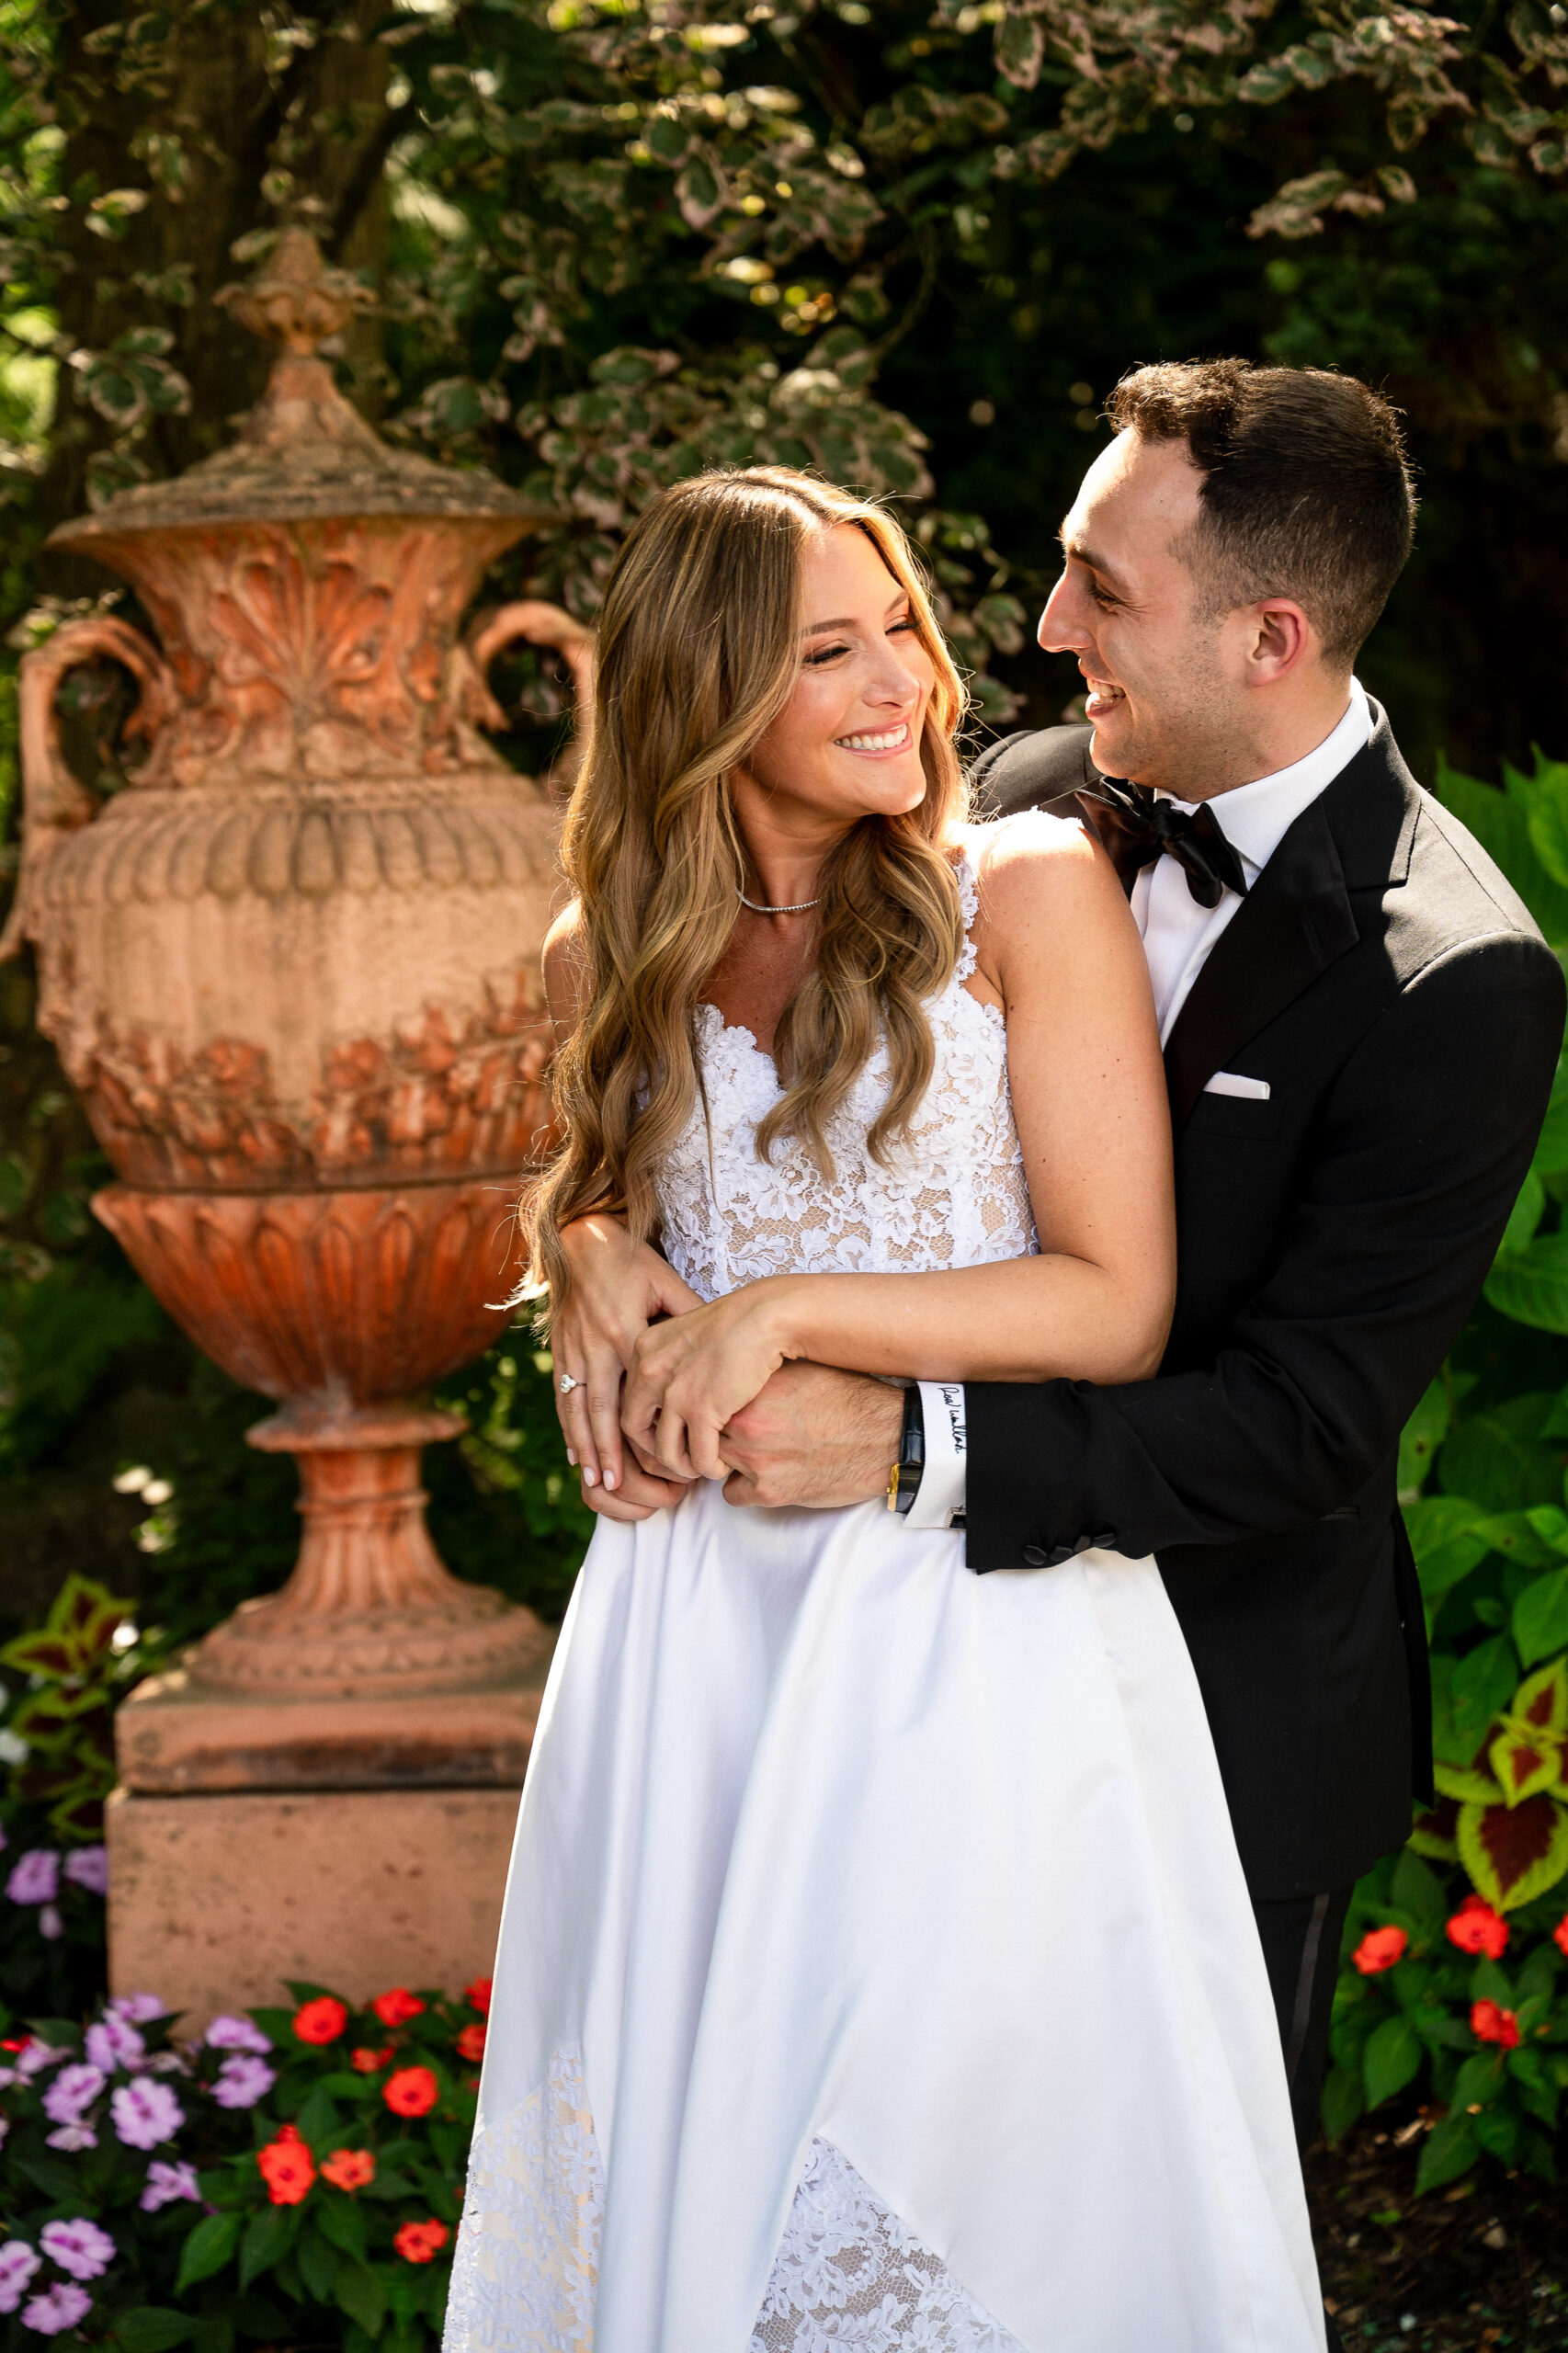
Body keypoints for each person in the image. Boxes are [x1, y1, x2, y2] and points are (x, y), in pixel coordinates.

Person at [555, 366, 1566, 2229]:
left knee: (1110, 2235)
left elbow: (1302, 1425)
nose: (1035, 629)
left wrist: (903, 1440)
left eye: (1099, 585)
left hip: (1217, 1690)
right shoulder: (1007, 804)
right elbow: (663, 1122)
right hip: (806, 1654)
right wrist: (586, 1254)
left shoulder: (1451, 973)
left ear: (1266, 635)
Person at [444, 463, 1326, 2353]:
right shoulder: (602, 955)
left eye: (901, 629)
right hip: (689, 1647)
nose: (903, 683)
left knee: (964, 2164)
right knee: (700, 2169)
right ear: (703, 690)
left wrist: (781, 1313)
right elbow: (612, 1209)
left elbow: (1113, 1305)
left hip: (971, 1638)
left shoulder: (1023, 891)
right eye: (825, 651)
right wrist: (583, 1241)